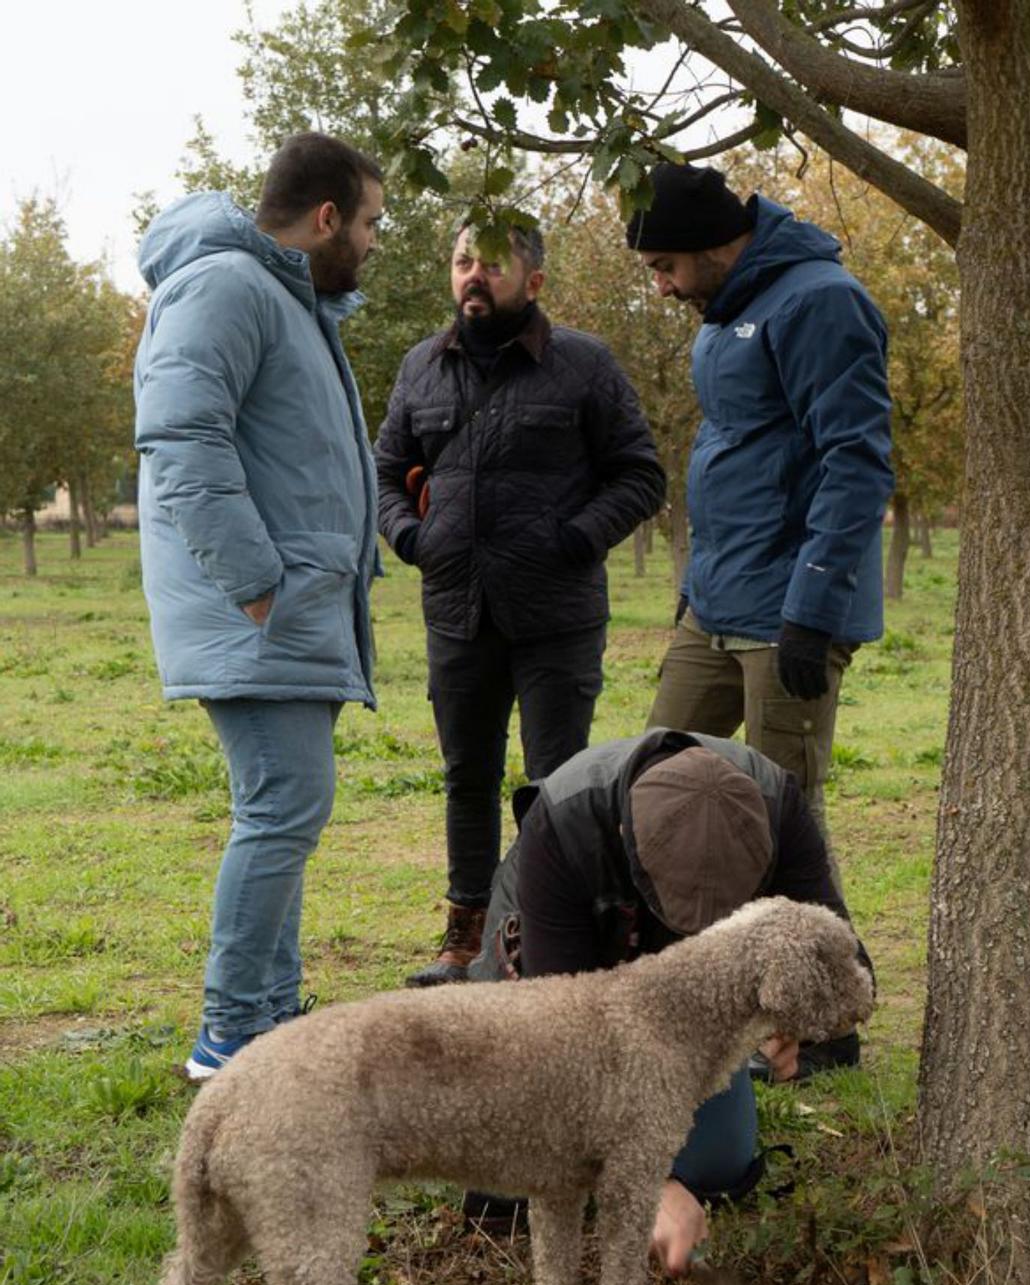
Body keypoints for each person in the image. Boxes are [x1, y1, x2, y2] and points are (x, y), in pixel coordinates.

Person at [134, 132, 384, 1079]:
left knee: (287, 807)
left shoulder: (286, 301)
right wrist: (254, 579)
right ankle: (233, 1034)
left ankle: (270, 1018)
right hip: (261, 611)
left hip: (297, 608)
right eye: (367, 224)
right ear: (325, 218)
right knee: (283, 807)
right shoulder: (228, 287)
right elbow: (181, 436)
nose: (370, 243)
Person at [375, 222, 666, 986]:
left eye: (492, 266)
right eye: (463, 261)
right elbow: (385, 473)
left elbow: (640, 475)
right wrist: (413, 539)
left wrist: (575, 539)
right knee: (467, 776)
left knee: (558, 782)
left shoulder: (583, 364)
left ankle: (547, 936)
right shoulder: (421, 368)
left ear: (533, 282)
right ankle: (464, 939)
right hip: (457, 611)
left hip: (555, 617)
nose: (474, 276)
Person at [466, 729, 874, 1274]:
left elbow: (845, 965)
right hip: (569, 978)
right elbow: (565, 1039)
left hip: (685, 1007)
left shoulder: (778, 805)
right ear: (622, 834)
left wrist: (792, 1023)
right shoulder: (565, 824)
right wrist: (650, 1180)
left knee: (715, 1162)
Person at [626, 163, 893, 882]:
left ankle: (827, 981)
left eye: (665, 266)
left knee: (784, 814)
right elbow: (736, 451)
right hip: (718, 601)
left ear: (714, 243)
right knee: (655, 783)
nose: (662, 287)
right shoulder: (722, 314)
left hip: (789, 612)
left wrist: (811, 609)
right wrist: (697, 586)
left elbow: (857, 462)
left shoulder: (819, 302)